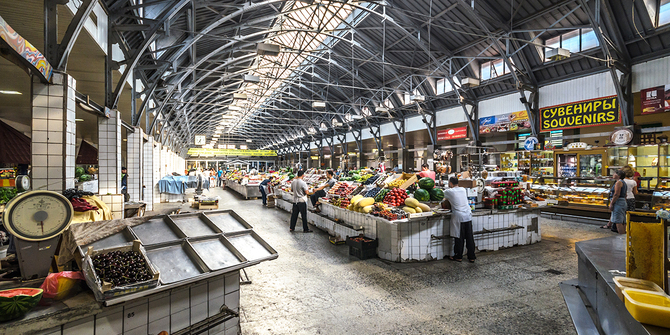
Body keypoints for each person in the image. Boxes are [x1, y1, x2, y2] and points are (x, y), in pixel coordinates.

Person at [443, 177, 475, 263]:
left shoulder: (449, 191)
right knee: (469, 237)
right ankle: (471, 257)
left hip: (459, 216)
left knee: (459, 237)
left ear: (450, 183)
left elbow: (440, 195)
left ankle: (458, 256)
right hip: (468, 215)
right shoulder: (463, 189)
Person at [608, 170, 628, 234]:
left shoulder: (618, 183)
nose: (613, 174)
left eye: (615, 173)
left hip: (618, 202)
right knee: (623, 221)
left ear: (619, 175)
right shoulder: (624, 182)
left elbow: (616, 194)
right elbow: (625, 195)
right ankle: (624, 236)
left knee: (618, 221)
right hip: (622, 202)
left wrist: (611, 203)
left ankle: (622, 237)